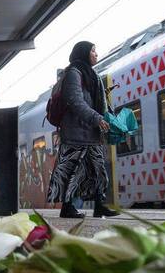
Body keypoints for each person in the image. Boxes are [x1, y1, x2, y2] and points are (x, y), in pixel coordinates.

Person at [49, 41, 120, 219]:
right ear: (83, 53)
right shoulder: (74, 73)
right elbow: (74, 101)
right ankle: (67, 208)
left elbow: (95, 103)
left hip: (91, 134)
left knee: (98, 171)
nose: (96, 54)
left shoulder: (91, 74)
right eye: (93, 51)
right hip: (75, 134)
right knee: (72, 170)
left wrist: (108, 118)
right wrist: (96, 118)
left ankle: (100, 205)